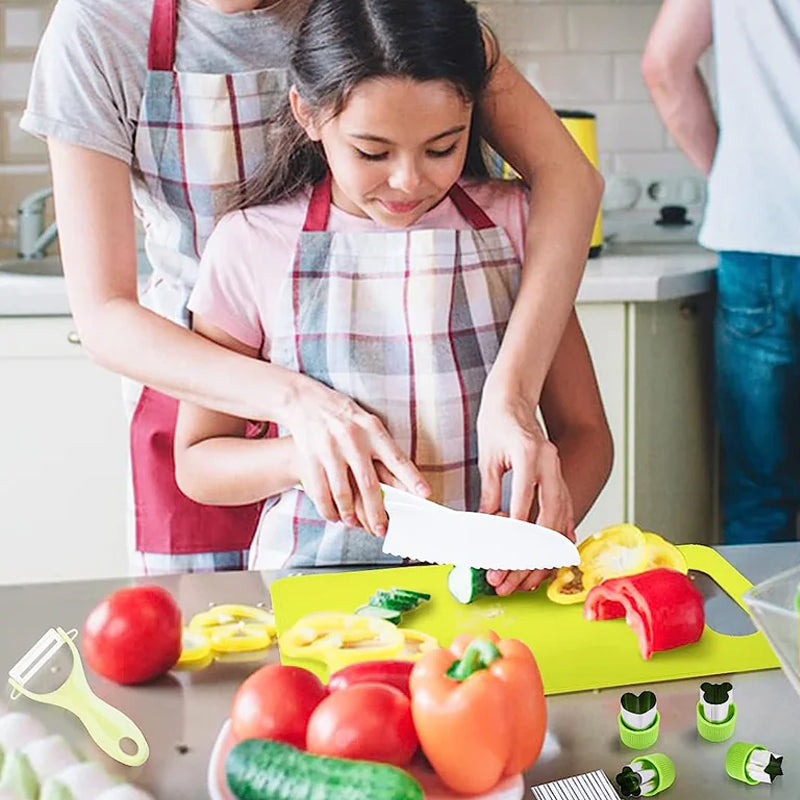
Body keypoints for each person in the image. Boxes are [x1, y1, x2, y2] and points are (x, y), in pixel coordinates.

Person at [22, 0, 603, 575]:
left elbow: (568, 179)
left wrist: (514, 405)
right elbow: (105, 318)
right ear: (308, 114)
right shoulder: (100, 30)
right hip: (196, 375)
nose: (406, 179)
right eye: (371, 151)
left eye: (440, 148)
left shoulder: (396, 26)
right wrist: (300, 413)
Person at [642, 0, 800, 544]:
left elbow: (663, 65)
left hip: (760, 237)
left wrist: (736, 179)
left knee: (760, 491)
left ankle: (764, 606)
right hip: (758, 240)